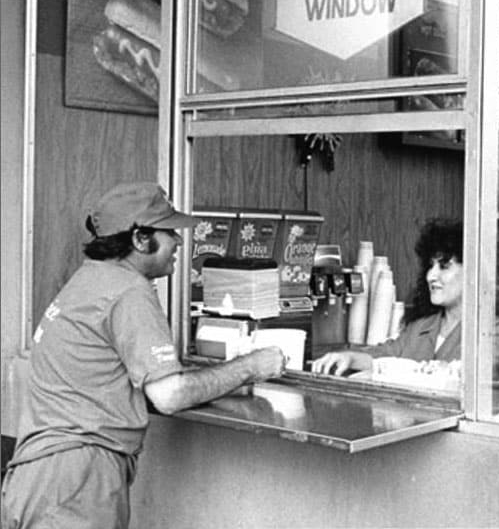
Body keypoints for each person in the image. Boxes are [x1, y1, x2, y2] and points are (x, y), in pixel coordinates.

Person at [0, 182, 286, 529]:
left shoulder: (90, 279)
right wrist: (252, 366)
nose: (178, 241)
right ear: (139, 239)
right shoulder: (128, 291)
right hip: (76, 481)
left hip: (36, 478)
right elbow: (169, 395)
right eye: (169, 232)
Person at [310, 218, 499, 380]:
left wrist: (393, 370)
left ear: (475, 274)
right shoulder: (420, 327)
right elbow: (383, 354)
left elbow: (483, 372)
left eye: (444, 266)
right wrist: (349, 357)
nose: (431, 276)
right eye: (430, 266)